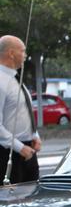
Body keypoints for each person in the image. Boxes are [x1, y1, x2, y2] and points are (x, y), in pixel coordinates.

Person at [0, 35, 41, 185]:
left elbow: (23, 112)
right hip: (8, 154)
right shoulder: (1, 81)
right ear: (11, 53)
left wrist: (34, 135)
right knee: (10, 203)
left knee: (32, 199)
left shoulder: (17, 80)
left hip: (28, 150)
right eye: (22, 51)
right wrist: (20, 147)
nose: (25, 55)